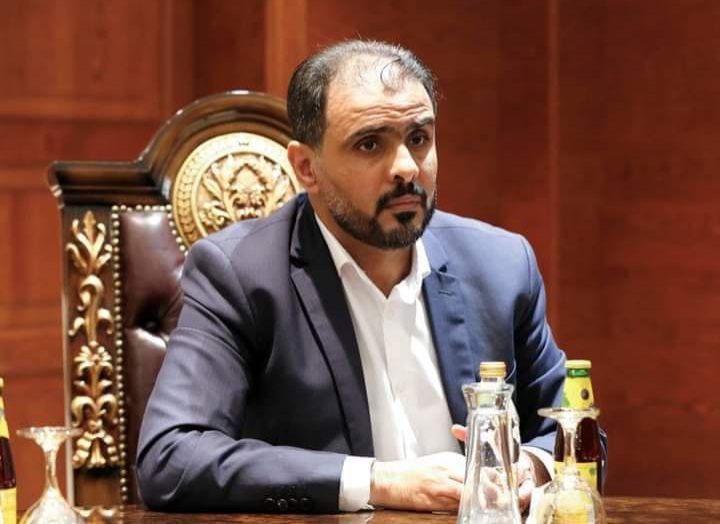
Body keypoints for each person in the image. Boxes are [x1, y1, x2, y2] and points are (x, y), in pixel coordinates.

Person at [137, 40, 567, 514]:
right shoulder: (241, 275)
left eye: (419, 138)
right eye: (370, 144)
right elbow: (171, 458)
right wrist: (377, 481)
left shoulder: (501, 265)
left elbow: (569, 430)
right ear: (306, 167)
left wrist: (530, 467)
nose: (406, 168)